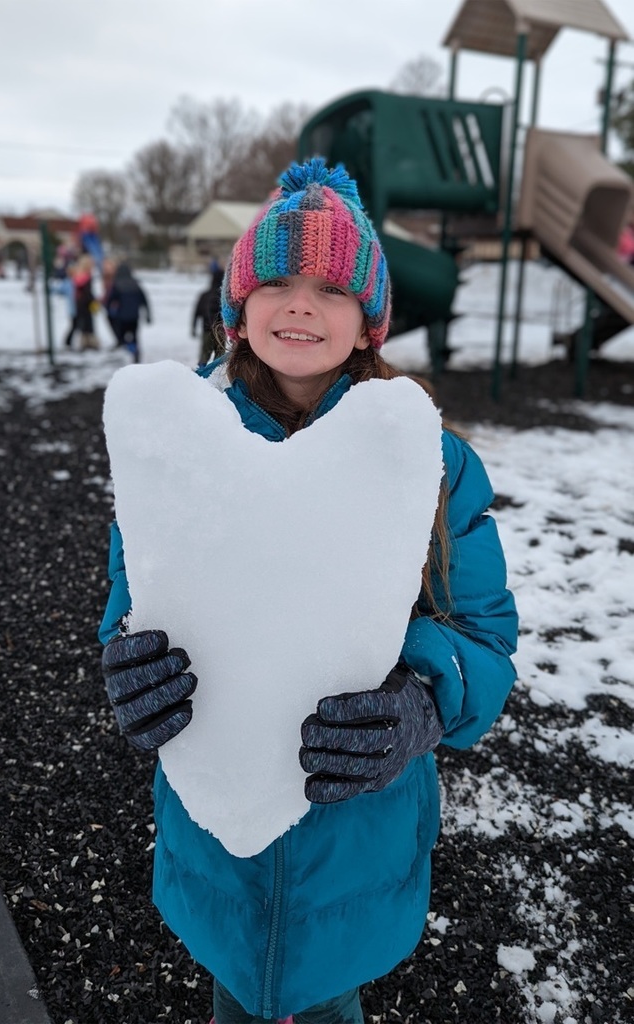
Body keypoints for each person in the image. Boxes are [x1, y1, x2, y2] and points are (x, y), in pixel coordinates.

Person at [99, 159, 518, 1024]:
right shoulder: (182, 450)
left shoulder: (430, 463)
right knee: (231, 992)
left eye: (331, 288)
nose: (300, 304)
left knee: (326, 1002)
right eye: (277, 282)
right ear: (236, 311)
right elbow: (132, 593)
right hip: (216, 832)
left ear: (368, 320)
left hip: (353, 840)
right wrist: (128, 664)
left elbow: (480, 631)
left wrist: (424, 701)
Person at [553, 217, 634, 358]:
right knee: (618, 311)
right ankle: (577, 341)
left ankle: (577, 340)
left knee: (617, 313)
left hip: (621, 276)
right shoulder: (623, 233)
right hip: (618, 276)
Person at [106, 262, 151, 363]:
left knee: (122, 336)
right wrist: (148, 315)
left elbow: (111, 300)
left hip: (122, 317)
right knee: (134, 336)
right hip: (135, 316)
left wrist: (109, 311)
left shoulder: (117, 284)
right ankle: (135, 353)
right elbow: (144, 300)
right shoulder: (136, 284)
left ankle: (128, 347)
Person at [192, 260, 225, 366]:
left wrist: (193, 327)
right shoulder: (224, 296)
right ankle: (216, 378)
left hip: (206, 329)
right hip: (220, 329)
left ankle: (201, 375)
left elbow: (196, 313)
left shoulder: (204, 295)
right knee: (220, 358)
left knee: (204, 356)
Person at [71, 254, 99, 352]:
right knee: (88, 324)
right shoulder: (87, 276)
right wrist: (94, 302)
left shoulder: (77, 275)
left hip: (79, 303)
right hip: (86, 303)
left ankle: (83, 342)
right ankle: (90, 343)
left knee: (82, 323)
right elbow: (88, 292)